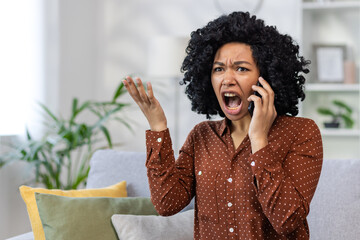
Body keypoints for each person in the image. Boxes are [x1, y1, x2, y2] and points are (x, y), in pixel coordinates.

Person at [123, 11, 323, 240]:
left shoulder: (302, 132)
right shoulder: (201, 135)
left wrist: (259, 139)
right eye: (219, 69)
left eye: (241, 68)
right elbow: (167, 203)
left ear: (265, 77)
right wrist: (157, 125)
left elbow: (287, 220)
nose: (227, 79)